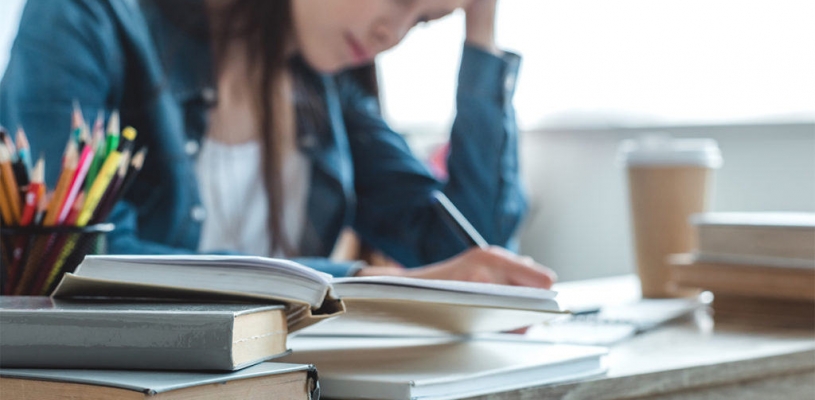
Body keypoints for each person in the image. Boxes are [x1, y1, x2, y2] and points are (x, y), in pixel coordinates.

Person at [0, 0, 556, 288]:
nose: (395, 33)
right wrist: (352, 284)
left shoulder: (326, 89)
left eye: (426, 19)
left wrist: (482, 33)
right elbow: (73, 261)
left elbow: (475, 256)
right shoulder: (86, 16)